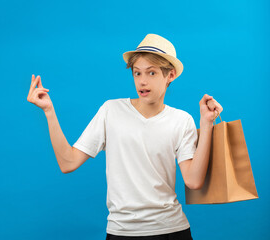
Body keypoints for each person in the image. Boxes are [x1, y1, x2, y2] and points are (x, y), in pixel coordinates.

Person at [27, 33, 223, 240]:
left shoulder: (181, 120)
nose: (142, 81)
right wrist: (49, 111)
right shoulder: (111, 110)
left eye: (152, 73)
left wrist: (206, 123)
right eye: (137, 73)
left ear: (170, 75)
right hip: (122, 232)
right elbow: (68, 163)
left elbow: (193, 181)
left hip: (171, 230)